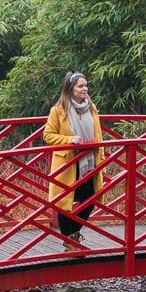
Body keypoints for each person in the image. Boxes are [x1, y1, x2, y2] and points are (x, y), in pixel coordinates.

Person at [44, 70, 104, 241]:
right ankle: (70, 240)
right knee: (64, 203)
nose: (85, 89)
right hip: (68, 162)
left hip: (89, 162)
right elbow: (48, 135)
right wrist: (69, 139)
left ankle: (72, 234)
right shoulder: (58, 110)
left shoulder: (91, 108)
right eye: (81, 86)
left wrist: (102, 156)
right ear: (71, 89)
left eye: (86, 85)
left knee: (90, 200)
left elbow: (98, 134)